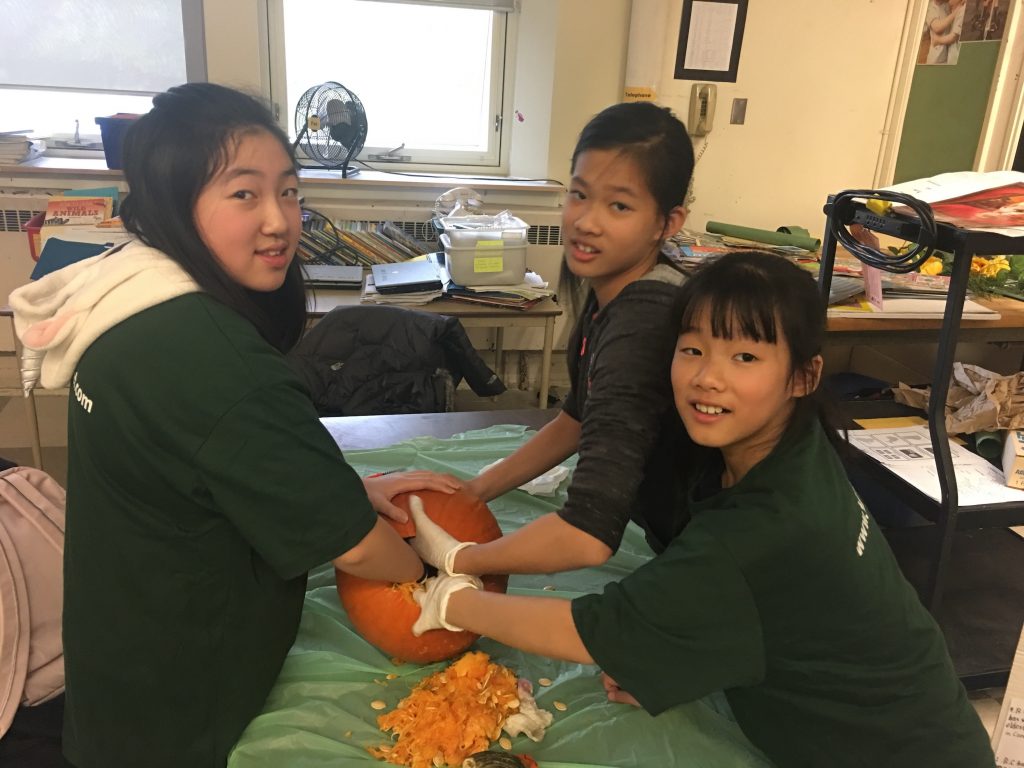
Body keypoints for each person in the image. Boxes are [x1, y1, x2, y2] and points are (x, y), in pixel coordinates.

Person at [8, 83, 459, 768]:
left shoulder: (128, 296)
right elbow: (363, 552)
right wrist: (424, 570)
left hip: (115, 668)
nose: (280, 221)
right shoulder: (216, 363)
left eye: (288, 191)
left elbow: (209, 465)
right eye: (243, 194)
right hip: (176, 710)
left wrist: (331, 492)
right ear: (175, 203)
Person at [410, 252, 996, 767]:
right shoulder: (793, 447)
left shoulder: (762, 532)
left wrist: (456, 600)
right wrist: (684, 654)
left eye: (745, 357)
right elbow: (776, 617)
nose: (707, 378)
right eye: (692, 349)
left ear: (803, 376)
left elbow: (598, 630)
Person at [428, 101, 693, 578]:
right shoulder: (612, 290)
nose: (587, 222)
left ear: (668, 222)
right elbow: (577, 418)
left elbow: (589, 535)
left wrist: (456, 560)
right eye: (579, 194)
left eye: (619, 205)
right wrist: (473, 493)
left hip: (710, 552)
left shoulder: (643, 322)